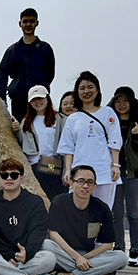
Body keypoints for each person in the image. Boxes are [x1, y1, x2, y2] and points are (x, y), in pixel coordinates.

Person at [0, 158, 64, 275]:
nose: (9, 178)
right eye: (4, 175)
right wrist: (8, 256)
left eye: (14, 175)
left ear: (21, 178)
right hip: (2, 257)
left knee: (49, 258)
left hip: (27, 258)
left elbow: (38, 231)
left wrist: (27, 253)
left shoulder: (35, 202)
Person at [42, 165, 128, 275]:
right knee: (45, 245)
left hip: (87, 255)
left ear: (95, 186)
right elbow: (53, 234)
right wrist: (76, 258)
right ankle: (94, 273)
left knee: (121, 257)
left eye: (90, 182)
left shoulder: (102, 208)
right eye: (81, 181)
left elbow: (107, 245)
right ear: (71, 183)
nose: (85, 186)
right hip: (63, 252)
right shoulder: (59, 202)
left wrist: (82, 258)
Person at [57, 71, 122, 209]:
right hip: (79, 174)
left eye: (90, 87)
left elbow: (114, 140)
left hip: (104, 172)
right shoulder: (73, 118)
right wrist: (68, 170)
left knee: (102, 211)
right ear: (77, 92)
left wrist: (115, 165)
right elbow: (68, 147)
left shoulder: (107, 112)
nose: (86, 91)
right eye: (82, 88)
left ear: (97, 90)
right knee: (77, 211)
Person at [108, 87, 138, 266]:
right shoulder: (109, 123)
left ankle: (135, 251)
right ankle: (119, 248)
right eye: (118, 101)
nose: (121, 105)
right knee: (116, 214)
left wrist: (137, 135)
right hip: (114, 174)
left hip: (135, 174)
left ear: (132, 103)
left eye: (125, 101)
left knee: (134, 214)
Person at [0, 8, 55, 122]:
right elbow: (2, 75)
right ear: (20, 23)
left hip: (39, 98)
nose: (28, 24)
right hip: (18, 98)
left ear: (37, 23)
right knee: (19, 129)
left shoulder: (45, 49)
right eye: (25, 21)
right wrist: (1, 99)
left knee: (40, 127)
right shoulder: (12, 50)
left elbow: (50, 74)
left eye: (32, 21)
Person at [12, 86, 67, 202]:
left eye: (40, 98)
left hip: (52, 164)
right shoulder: (27, 120)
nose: (37, 102)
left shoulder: (60, 119)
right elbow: (22, 141)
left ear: (47, 98)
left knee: (54, 197)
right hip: (33, 165)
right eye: (33, 100)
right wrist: (17, 130)